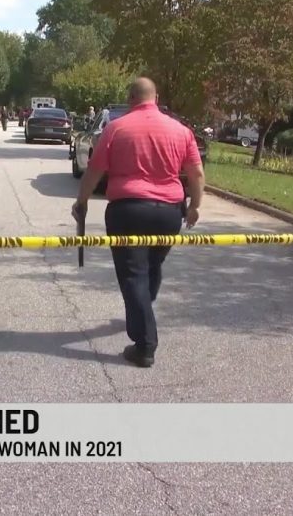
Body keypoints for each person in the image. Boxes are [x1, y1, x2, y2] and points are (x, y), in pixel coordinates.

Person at [71, 77, 205, 368]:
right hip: (169, 212)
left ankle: (145, 345)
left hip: (128, 211)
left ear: (132, 98)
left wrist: (82, 201)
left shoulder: (115, 129)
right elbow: (196, 173)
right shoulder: (181, 130)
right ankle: (142, 307)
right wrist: (195, 206)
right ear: (156, 99)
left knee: (133, 274)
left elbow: (94, 170)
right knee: (152, 265)